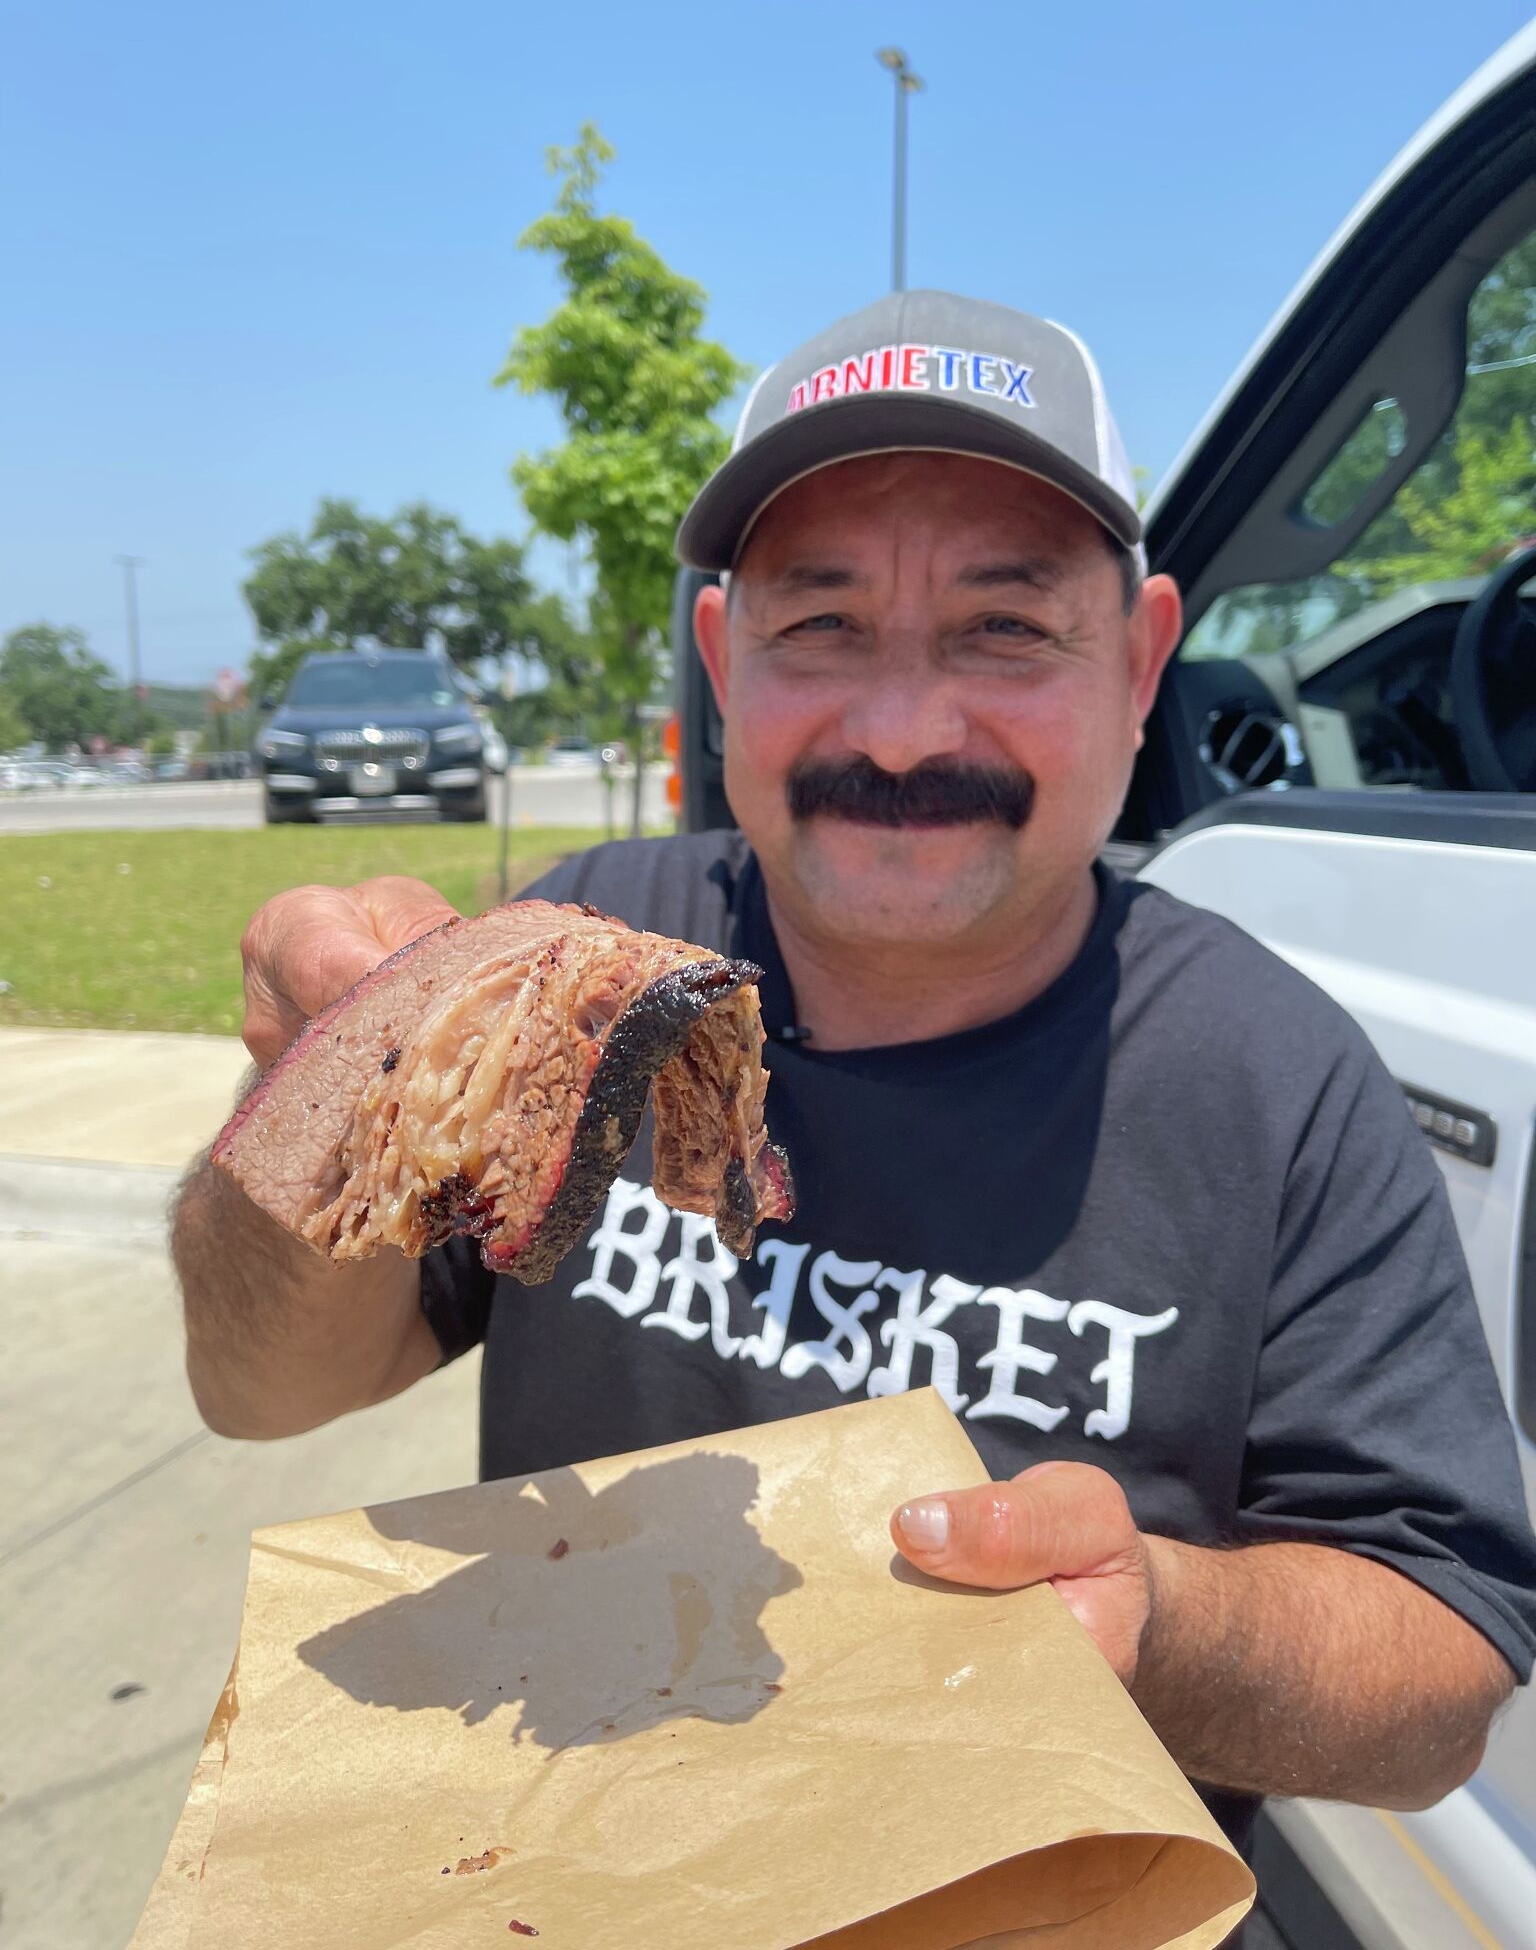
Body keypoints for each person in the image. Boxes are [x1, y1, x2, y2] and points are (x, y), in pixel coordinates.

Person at [174, 291, 1536, 1859]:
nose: (899, 730)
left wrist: (1155, 1619)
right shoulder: (577, 972)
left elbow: (1440, 1667)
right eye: (819, 625)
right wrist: (322, 1115)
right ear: (721, 658)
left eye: (1006, 627)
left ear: (1144, 660)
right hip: (556, 1864)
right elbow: (260, 1388)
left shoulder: (1272, 1079)